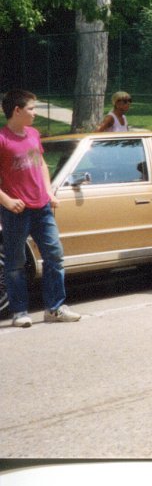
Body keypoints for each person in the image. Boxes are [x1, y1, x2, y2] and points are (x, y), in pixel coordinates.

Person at [1, 89, 81, 327]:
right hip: (16, 210)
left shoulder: (34, 134)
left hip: (42, 207)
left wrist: (48, 192)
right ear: (17, 110)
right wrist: (6, 201)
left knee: (54, 255)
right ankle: (19, 312)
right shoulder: (3, 138)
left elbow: (42, 165)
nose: (35, 113)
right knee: (15, 263)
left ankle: (54, 308)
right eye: (32, 109)